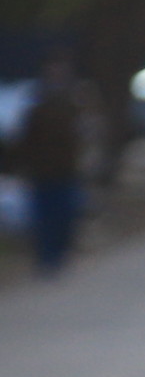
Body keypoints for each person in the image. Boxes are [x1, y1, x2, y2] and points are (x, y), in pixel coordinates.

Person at [17, 53, 93, 275]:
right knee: (44, 217)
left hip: (67, 170)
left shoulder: (76, 99)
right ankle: (46, 259)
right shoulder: (36, 100)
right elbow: (26, 137)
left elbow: (85, 134)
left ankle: (59, 255)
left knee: (65, 216)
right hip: (43, 171)